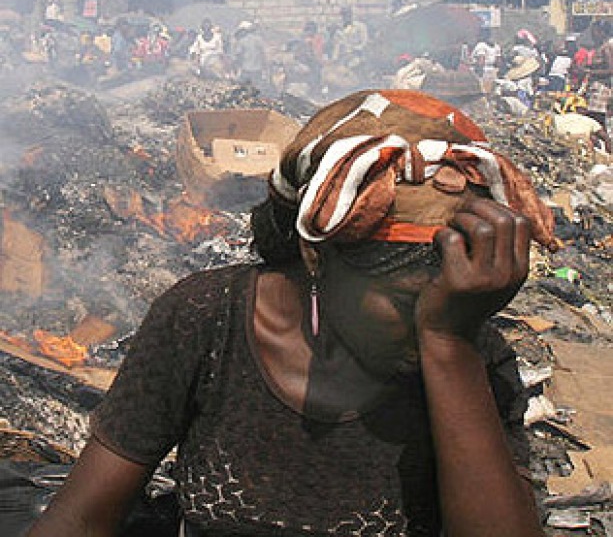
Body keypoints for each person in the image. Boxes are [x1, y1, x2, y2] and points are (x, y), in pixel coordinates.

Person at [27, 90, 555, 537]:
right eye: (407, 303)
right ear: (316, 255)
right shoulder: (207, 319)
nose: (429, 324)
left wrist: (450, 348)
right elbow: (82, 517)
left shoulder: (466, 350)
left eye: (452, 305)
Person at [232, 20, 268, 90]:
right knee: (257, 88)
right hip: (257, 69)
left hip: (246, 69)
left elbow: (238, 55)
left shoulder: (242, 41)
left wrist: (237, 67)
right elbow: (263, 54)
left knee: (244, 88)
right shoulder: (259, 40)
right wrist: (264, 68)